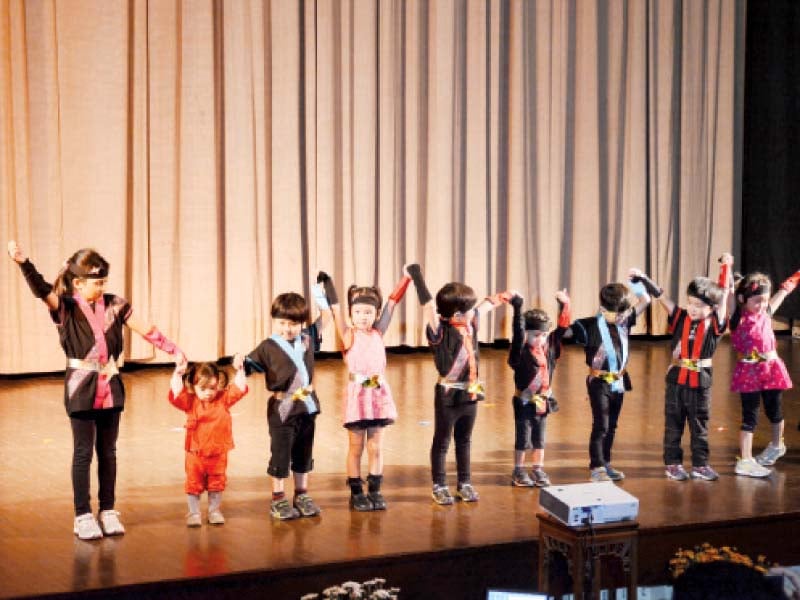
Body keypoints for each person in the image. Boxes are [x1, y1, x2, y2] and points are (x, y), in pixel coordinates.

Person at [7, 240, 184, 540]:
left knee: (109, 451)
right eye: (95, 282)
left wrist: (173, 350)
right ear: (77, 282)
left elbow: (146, 328)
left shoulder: (116, 304)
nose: (101, 287)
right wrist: (24, 264)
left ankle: (108, 509)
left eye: (104, 281)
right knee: (82, 452)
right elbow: (41, 290)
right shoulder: (65, 307)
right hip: (81, 388)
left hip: (111, 385)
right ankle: (82, 514)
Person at [406, 264, 511, 505]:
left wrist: (505, 297)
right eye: (467, 310)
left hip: (471, 394)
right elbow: (428, 306)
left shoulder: (469, 325)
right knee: (442, 441)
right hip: (448, 395)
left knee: (465, 440)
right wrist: (416, 276)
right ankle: (439, 484)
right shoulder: (439, 331)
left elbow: (485, 306)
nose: (472, 313)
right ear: (455, 314)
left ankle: (465, 482)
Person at [233, 285, 332, 520]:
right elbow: (247, 367)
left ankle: (302, 494)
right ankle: (278, 498)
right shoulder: (268, 347)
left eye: (293, 324)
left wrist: (320, 290)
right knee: (281, 454)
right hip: (283, 409)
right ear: (273, 321)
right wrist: (238, 361)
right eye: (282, 323)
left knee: (304, 453)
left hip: (307, 406)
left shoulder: (308, 338)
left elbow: (327, 316)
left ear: (301, 323)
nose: (287, 328)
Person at [630, 257, 731, 482]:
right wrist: (643, 279)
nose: (692, 309)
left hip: (700, 381)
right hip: (676, 380)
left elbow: (723, 297)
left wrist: (726, 267)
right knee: (673, 423)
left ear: (712, 308)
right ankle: (673, 464)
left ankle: (700, 465)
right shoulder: (680, 317)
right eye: (690, 303)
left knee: (699, 424)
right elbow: (661, 297)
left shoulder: (715, 324)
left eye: (699, 305)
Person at [318, 269, 412, 511]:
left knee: (376, 446)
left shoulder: (378, 332)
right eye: (358, 312)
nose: (363, 316)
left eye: (368, 312)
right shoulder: (348, 335)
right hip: (358, 397)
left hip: (378, 395)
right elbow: (336, 309)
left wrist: (407, 278)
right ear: (351, 314)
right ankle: (356, 491)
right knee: (356, 446)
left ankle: (376, 489)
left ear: (375, 314)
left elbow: (392, 303)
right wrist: (327, 284)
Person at [561, 273, 651, 482]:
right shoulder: (589, 325)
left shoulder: (624, 320)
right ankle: (596, 466)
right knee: (601, 424)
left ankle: (606, 462)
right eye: (616, 313)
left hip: (619, 380)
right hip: (599, 382)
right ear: (603, 309)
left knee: (612, 425)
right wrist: (564, 306)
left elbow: (645, 300)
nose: (621, 317)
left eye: (624, 312)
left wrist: (636, 282)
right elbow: (563, 333)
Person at [729, 266, 800, 477]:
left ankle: (777, 445)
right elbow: (729, 295)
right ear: (743, 299)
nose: (761, 305)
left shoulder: (767, 311)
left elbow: (785, 290)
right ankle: (746, 459)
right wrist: (726, 270)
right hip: (748, 371)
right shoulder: (737, 319)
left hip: (771, 369)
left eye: (764, 300)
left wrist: (797, 275)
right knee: (749, 416)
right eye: (756, 301)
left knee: (774, 411)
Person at [168, 360, 248, 526]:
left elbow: (239, 388)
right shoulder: (190, 402)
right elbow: (177, 392)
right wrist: (177, 373)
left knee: (217, 483)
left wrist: (240, 369)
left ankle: (214, 510)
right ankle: (193, 513)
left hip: (218, 453)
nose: (208, 393)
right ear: (193, 386)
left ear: (218, 384)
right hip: (195, 454)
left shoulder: (223, 399)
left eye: (212, 388)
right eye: (202, 388)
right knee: (193, 482)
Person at [506, 290, 571, 487]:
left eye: (543, 335)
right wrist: (518, 309)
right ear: (526, 334)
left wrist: (565, 305)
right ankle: (518, 469)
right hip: (524, 401)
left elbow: (561, 330)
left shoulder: (549, 348)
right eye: (535, 335)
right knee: (523, 436)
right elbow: (517, 335)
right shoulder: (519, 352)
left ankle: (538, 468)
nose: (540, 339)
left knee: (539, 437)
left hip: (543, 400)